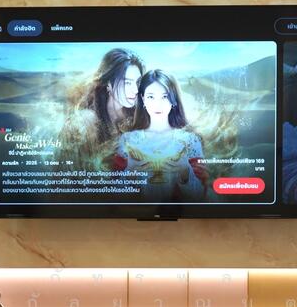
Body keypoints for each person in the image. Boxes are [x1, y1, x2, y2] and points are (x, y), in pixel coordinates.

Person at [115, 69, 209, 202]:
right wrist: (130, 173)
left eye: (164, 97)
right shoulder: (128, 140)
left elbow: (200, 197)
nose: (157, 104)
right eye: (151, 97)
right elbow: (114, 197)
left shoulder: (190, 141)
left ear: (173, 99)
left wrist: (185, 173)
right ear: (143, 99)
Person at [57, 48, 145, 170]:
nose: (135, 90)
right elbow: (65, 172)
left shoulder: (139, 116)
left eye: (138, 82)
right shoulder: (84, 123)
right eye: (127, 83)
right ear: (108, 83)